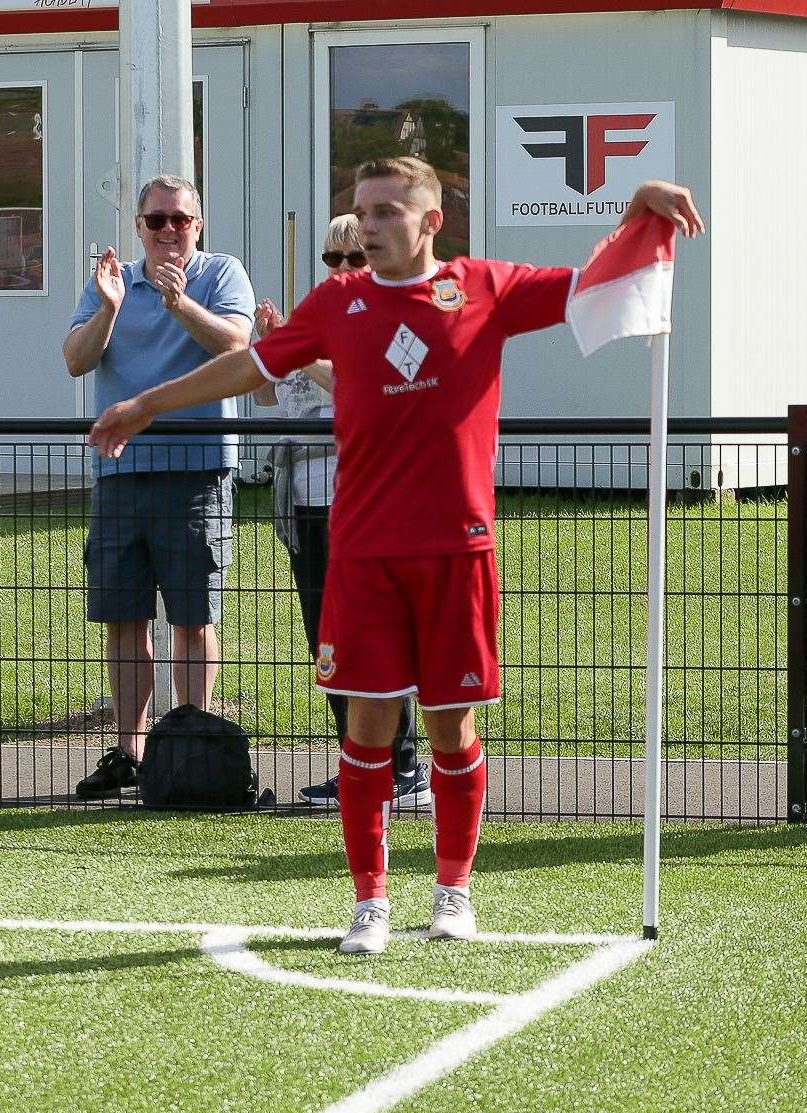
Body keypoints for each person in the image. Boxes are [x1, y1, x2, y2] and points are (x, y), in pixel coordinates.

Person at [91, 157, 703, 952]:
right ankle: (370, 901)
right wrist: (144, 403)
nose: (369, 227)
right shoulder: (339, 301)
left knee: (451, 732)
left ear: (430, 221)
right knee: (366, 733)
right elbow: (253, 363)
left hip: (457, 549)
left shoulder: (483, 287)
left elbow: (591, 283)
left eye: (385, 212)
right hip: (364, 553)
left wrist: (637, 210)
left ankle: (453, 890)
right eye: (361, 211)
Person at [63, 175, 255, 797]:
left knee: (193, 619)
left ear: (199, 225)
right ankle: (131, 753)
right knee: (124, 618)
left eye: (180, 219)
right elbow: (76, 358)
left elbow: (238, 347)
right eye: (156, 221)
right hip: (120, 472)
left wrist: (180, 305)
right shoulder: (113, 281)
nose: (168, 231)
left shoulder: (221, 274)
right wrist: (111, 308)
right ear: (139, 226)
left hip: (196, 471)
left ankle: (191, 751)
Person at [253, 214, 429, 813]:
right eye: (334, 259)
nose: (344, 270)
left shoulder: (390, 316)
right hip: (305, 500)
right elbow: (262, 396)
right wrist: (269, 343)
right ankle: (360, 762)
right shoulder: (318, 315)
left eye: (355, 258)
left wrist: (301, 356)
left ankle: (403, 765)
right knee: (326, 641)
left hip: (363, 501)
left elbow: (363, 383)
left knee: (373, 635)